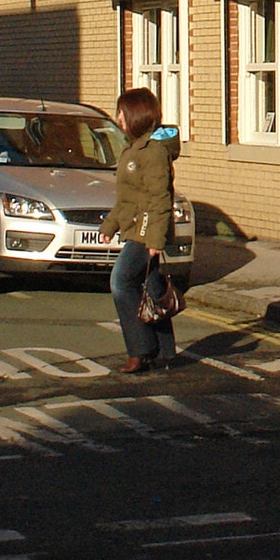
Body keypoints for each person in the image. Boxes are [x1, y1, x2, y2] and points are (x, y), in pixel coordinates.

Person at [102, 86, 180, 374]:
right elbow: (127, 198)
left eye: (122, 113)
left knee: (121, 283)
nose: (118, 118)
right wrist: (110, 225)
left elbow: (160, 197)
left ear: (135, 115)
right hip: (136, 226)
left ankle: (140, 349)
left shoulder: (153, 152)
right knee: (154, 289)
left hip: (146, 232)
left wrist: (156, 239)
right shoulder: (133, 149)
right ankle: (165, 352)